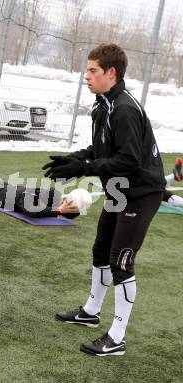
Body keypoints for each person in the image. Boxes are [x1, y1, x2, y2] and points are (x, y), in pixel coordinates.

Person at [42, 44, 165, 356]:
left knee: (121, 262)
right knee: (101, 251)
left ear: (111, 73)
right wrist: (76, 159)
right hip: (118, 190)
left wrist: (85, 168)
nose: (87, 76)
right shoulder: (103, 105)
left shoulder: (124, 109)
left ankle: (117, 337)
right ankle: (91, 312)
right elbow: (102, 151)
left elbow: (130, 161)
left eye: (93, 71)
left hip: (139, 193)